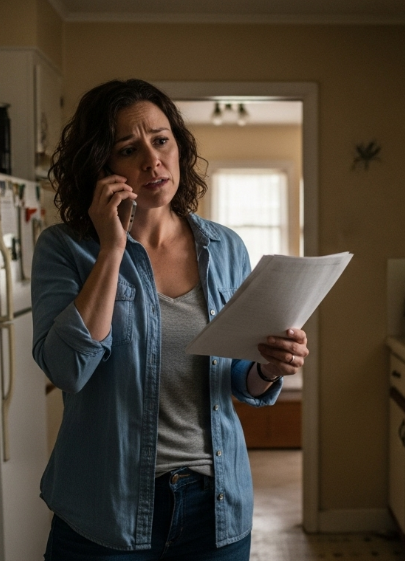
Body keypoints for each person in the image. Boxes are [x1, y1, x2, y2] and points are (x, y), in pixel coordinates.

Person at [32, 78, 309, 560]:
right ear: (103, 166)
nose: (151, 160)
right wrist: (113, 248)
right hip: (105, 513)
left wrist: (269, 366)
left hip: (215, 507)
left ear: (178, 146)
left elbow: (239, 377)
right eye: (127, 149)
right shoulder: (65, 249)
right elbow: (67, 370)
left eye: (161, 140)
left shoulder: (225, 248)